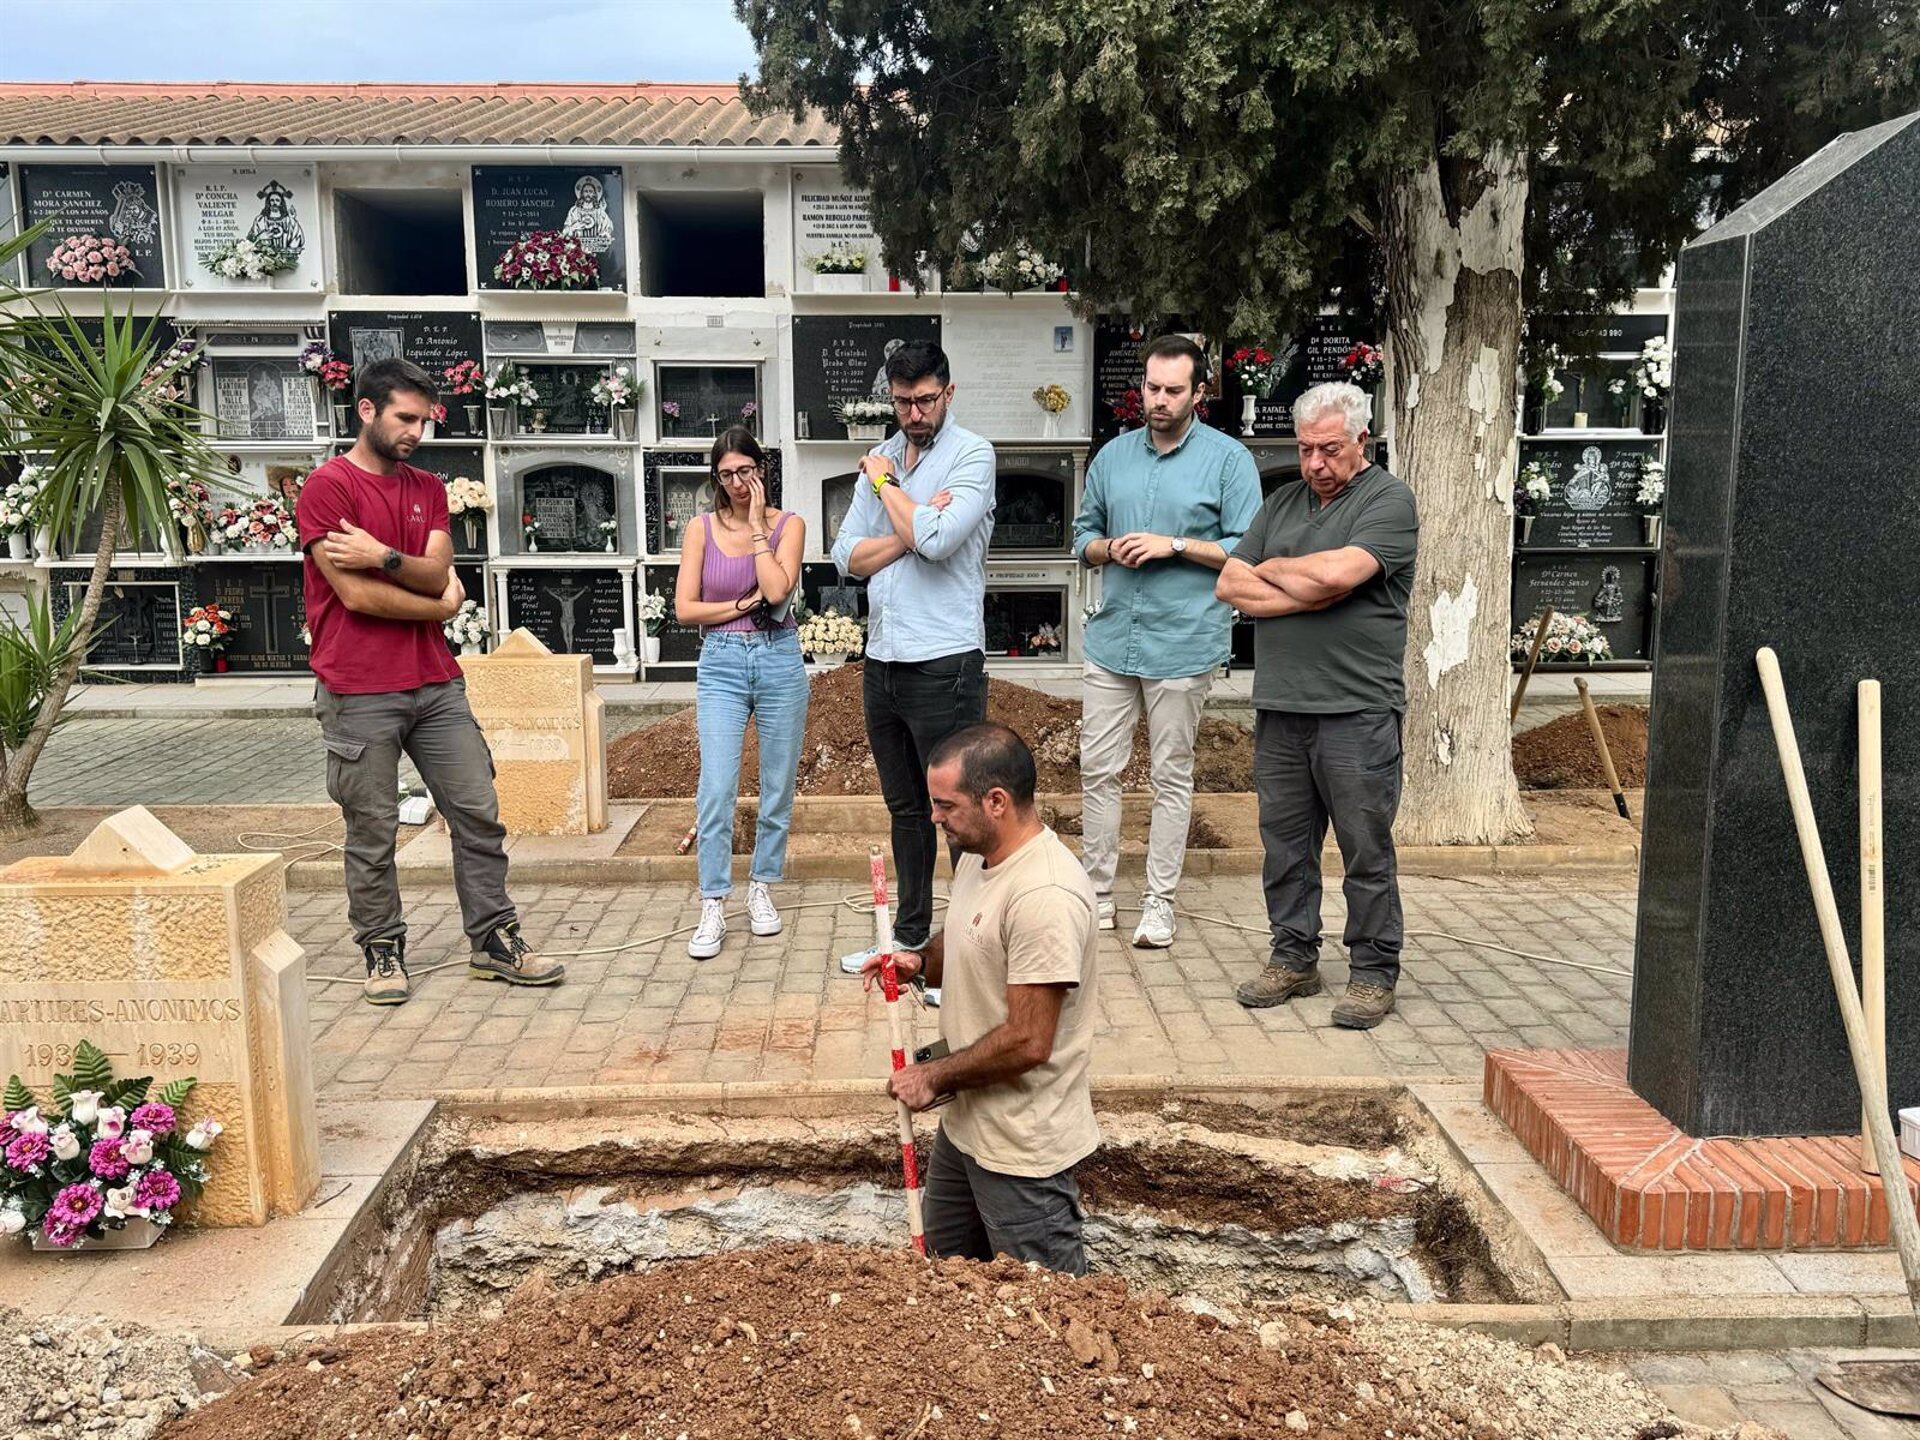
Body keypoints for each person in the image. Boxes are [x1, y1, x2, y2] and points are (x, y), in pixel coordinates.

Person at [298, 357, 564, 1006]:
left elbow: (437, 565)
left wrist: (386, 556)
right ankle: (382, 948)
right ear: (367, 411)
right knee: (373, 827)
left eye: (425, 419)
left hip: (436, 684)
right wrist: (440, 603)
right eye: (405, 417)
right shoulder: (327, 489)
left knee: (477, 812)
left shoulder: (427, 486)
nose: (418, 431)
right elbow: (359, 597)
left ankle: (494, 942)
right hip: (359, 689)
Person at [1214, 381, 1418, 1029]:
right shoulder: (1281, 502)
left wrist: (1284, 572)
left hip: (1358, 708)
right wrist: (1307, 586)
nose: (1314, 465)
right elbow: (1229, 582)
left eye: (1329, 449)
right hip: (1280, 706)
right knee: (1285, 845)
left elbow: (1337, 575)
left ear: (1362, 439)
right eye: (1305, 450)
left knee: (1364, 846)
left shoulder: (1388, 500)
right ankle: (1293, 956)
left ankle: (1372, 971)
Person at [860, 724, 1097, 1273]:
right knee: (947, 1282)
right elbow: (968, 938)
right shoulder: (977, 856)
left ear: (996, 801)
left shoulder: (1044, 896)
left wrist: (933, 1076)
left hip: (1021, 1150)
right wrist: (918, 961)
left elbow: (1028, 1041)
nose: (935, 818)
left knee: (1049, 1309)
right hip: (967, 1130)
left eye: (946, 805)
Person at [1072, 335, 1261, 947]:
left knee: (1170, 777)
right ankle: (1097, 894)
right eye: (1151, 387)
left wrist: (1173, 545)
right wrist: (1110, 548)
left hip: (1184, 640)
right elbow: (1084, 537)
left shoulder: (1230, 460)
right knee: (1097, 771)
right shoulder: (1112, 458)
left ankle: (1159, 902)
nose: (1158, 399)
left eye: (1173, 390)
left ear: (1199, 393)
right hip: (1111, 639)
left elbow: (1247, 549)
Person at [830, 340, 996, 977]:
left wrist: (888, 491)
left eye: (925, 400)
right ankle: (909, 942)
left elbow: (940, 542)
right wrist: (914, 526)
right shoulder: (886, 457)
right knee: (906, 810)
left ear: (947, 393)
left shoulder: (972, 456)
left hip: (944, 661)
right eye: (902, 402)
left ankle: (969, 955)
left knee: (963, 816)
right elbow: (847, 556)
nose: (913, 413)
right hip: (883, 659)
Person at [673, 427, 810, 959]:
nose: (736, 481)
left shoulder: (787, 525)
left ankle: (761, 888)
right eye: (726, 473)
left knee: (778, 784)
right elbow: (686, 610)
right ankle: (712, 901)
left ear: (762, 470)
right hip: (722, 661)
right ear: (716, 477)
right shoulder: (700, 529)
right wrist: (735, 608)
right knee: (717, 785)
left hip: (779, 658)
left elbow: (777, 591)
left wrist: (756, 528)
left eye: (745, 471)